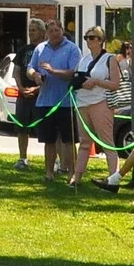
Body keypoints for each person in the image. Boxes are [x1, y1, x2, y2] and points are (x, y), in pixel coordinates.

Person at [29, 19, 81, 184]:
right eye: (50, 31)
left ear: (62, 31)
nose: (54, 34)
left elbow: (73, 73)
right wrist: (35, 75)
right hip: (45, 101)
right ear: (46, 33)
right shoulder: (40, 48)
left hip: (66, 102)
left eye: (56, 31)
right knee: (48, 140)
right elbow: (31, 68)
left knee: (69, 140)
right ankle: (49, 173)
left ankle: (72, 174)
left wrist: (53, 71)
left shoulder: (72, 49)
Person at [72, 26, 124, 190]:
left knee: (107, 142)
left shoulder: (109, 59)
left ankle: (112, 180)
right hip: (82, 102)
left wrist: (96, 82)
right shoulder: (84, 59)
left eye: (93, 37)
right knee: (84, 142)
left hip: (100, 102)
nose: (89, 40)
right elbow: (77, 77)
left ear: (101, 40)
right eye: (87, 37)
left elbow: (115, 84)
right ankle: (77, 177)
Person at [11, 19, 47, 171]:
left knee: (46, 130)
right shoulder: (23, 50)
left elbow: (48, 75)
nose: (31, 33)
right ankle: (23, 158)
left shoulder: (47, 50)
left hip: (42, 95)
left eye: (34, 30)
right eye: (29, 30)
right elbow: (17, 71)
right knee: (22, 128)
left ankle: (54, 161)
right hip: (23, 95)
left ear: (41, 32)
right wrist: (21, 88)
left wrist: (36, 89)